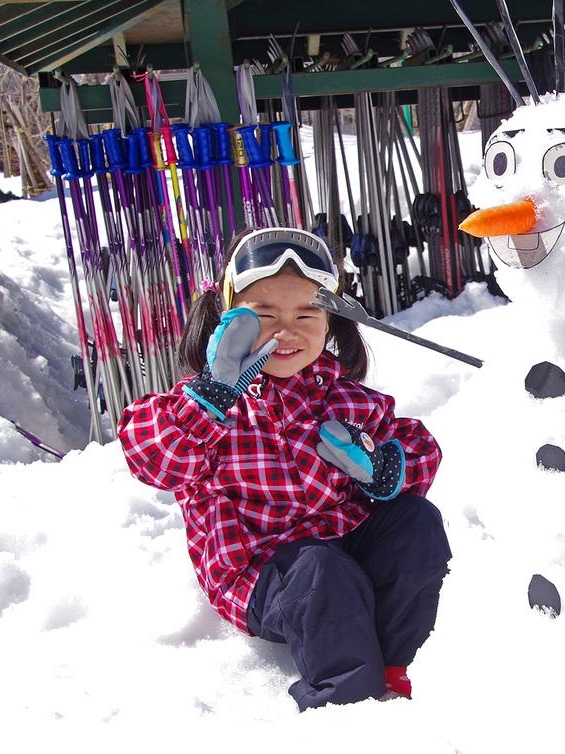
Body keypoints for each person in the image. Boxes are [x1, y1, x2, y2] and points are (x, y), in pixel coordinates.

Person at [118, 226, 450, 710]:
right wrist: (212, 397)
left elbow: (419, 448)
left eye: (305, 314)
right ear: (229, 319)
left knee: (416, 521)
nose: (286, 331)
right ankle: (347, 704)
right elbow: (154, 461)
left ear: (330, 322)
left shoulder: (344, 397)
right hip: (262, 572)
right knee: (320, 572)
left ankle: (403, 664)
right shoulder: (205, 405)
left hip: (342, 546)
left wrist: (381, 469)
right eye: (265, 315)